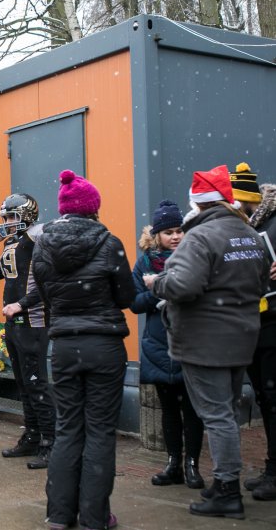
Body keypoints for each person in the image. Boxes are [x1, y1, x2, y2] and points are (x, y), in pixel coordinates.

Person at [149, 165, 269, 519]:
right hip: (242, 336)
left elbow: (183, 286)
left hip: (205, 341)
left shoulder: (201, 237)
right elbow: (260, 282)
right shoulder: (248, 233)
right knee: (227, 413)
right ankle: (224, 482)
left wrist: (156, 282)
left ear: (198, 204)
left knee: (216, 416)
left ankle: (227, 490)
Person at [32, 170, 135, 530]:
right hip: (104, 346)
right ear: (94, 209)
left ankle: (59, 515)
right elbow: (127, 297)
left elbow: (46, 297)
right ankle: (94, 517)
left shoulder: (42, 247)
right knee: (101, 431)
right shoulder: (111, 243)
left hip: (63, 347)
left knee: (67, 428)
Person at [131, 200, 205, 489]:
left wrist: (164, 286)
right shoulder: (145, 262)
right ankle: (174, 463)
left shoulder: (196, 256)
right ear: (157, 236)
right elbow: (135, 302)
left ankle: (192, 465)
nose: (175, 237)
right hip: (158, 345)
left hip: (190, 341)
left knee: (193, 409)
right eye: (168, 232)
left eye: (179, 231)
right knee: (169, 410)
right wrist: (157, 289)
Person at [0, 193, 55, 469]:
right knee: (24, 384)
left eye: (12, 217)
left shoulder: (39, 239)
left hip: (33, 321)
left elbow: (47, 284)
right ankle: (33, 436)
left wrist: (21, 304)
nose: (7, 223)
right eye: (6, 218)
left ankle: (51, 441)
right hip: (14, 323)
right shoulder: (12, 241)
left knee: (37, 384)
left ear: (25, 216)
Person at [238, 167, 276, 501]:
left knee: (273, 400)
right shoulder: (251, 227)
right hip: (256, 322)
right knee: (266, 399)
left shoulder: (267, 225)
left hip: (272, 324)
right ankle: (271, 467)